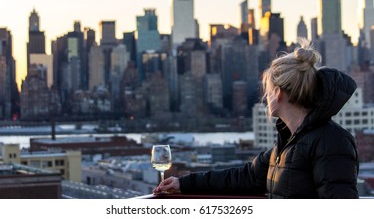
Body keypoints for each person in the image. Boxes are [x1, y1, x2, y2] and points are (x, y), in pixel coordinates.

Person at [153, 38, 359, 198]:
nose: (265, 96)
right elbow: (245, 177)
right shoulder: (286, 145)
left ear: (278, 93)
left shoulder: (331, 143)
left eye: (268, 90)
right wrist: (184, 183)